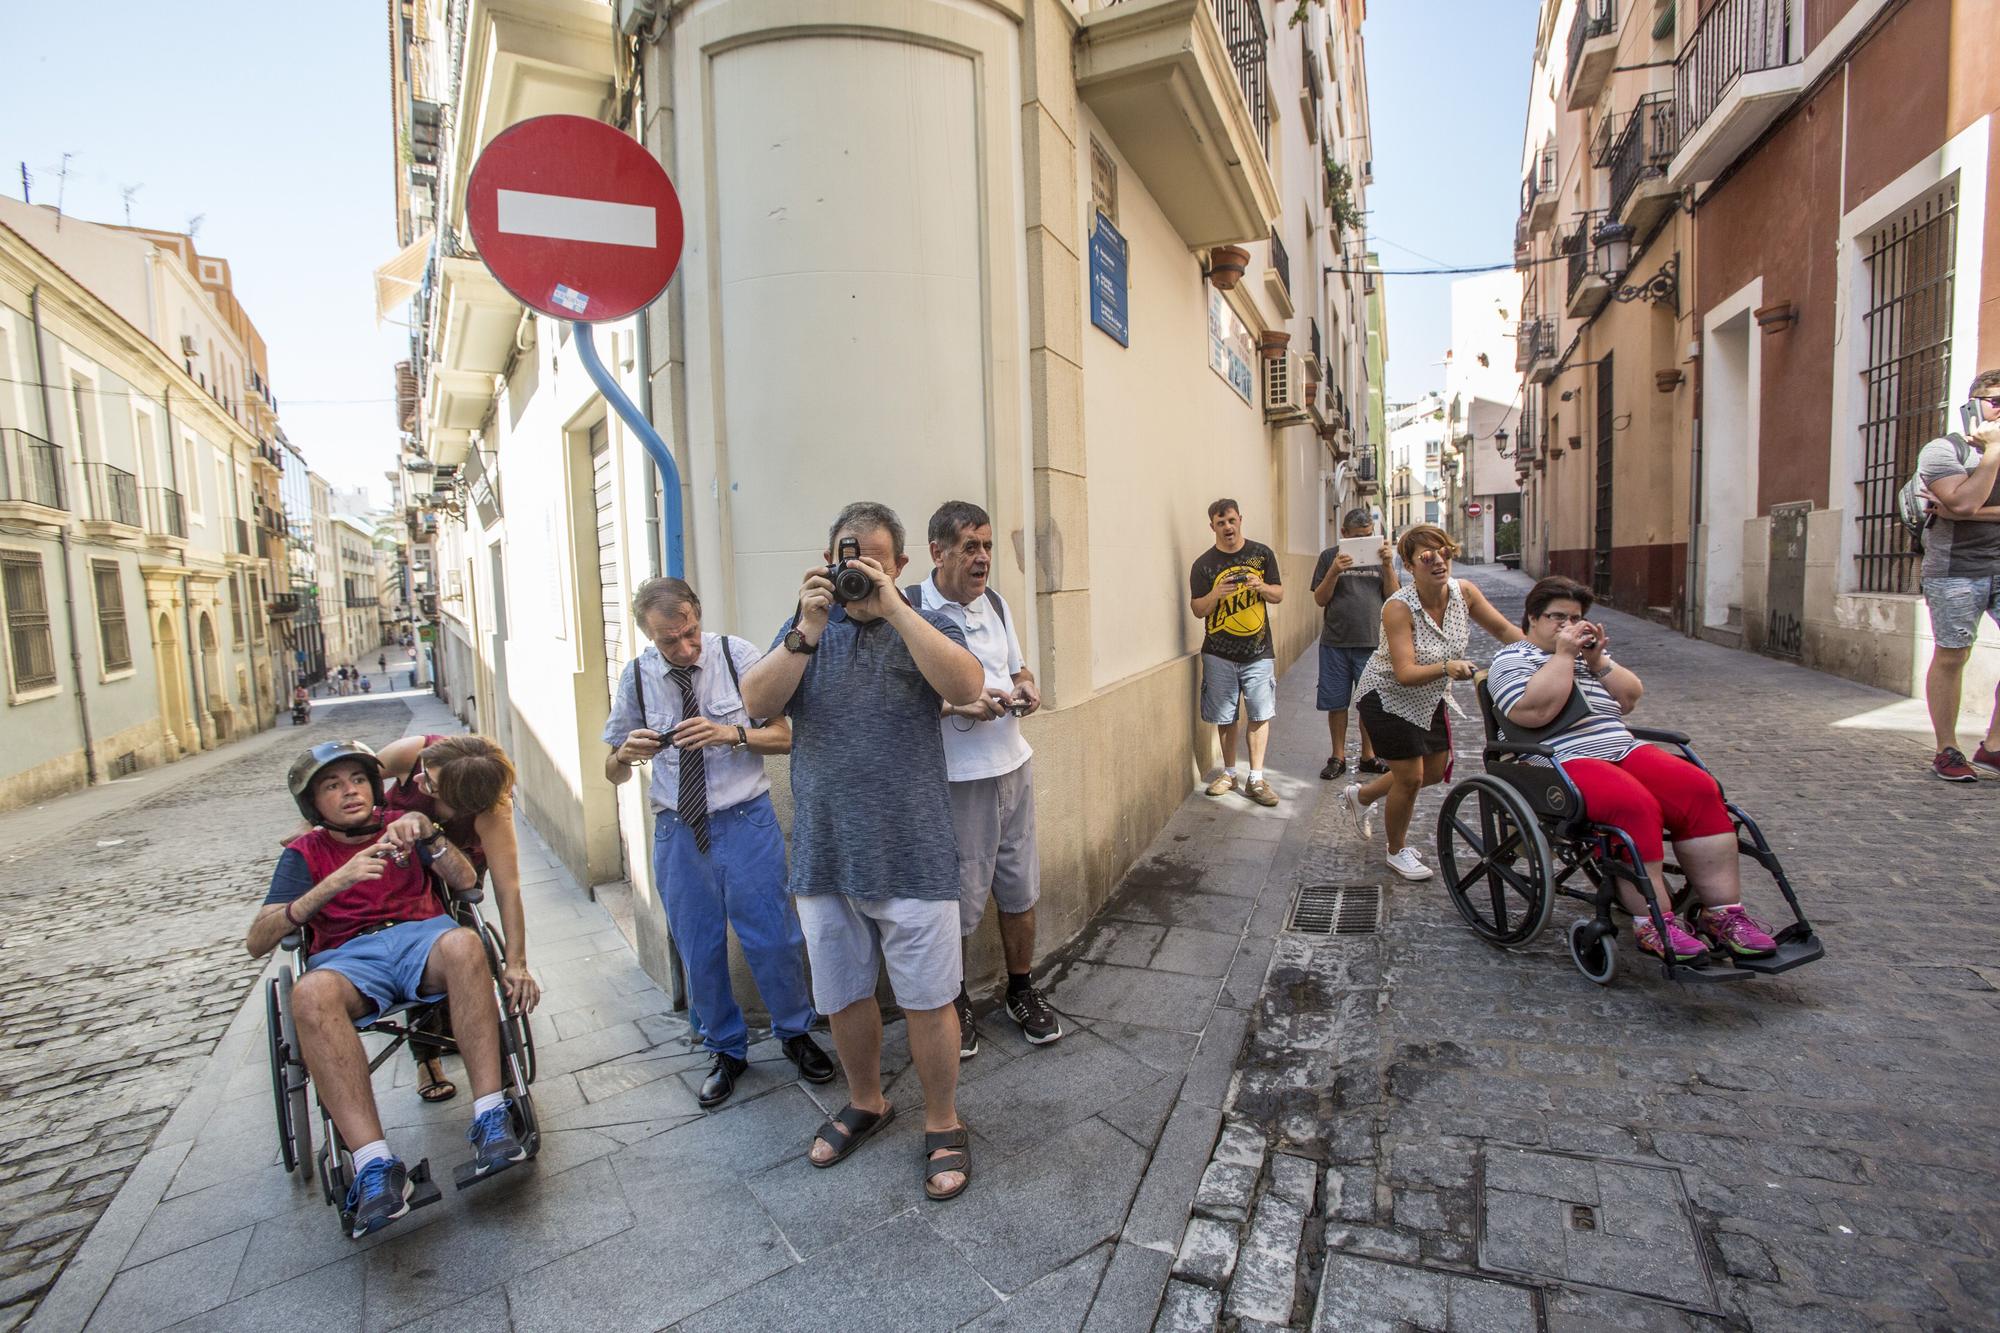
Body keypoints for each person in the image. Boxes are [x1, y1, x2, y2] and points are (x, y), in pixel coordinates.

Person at [739, 501, 984, 1201]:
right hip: (826, 853)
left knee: (930, 999)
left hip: (912, 849)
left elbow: (966, 687)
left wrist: (896, 609)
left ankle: (942, 1119)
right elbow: (755, 703)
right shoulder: (803, 631)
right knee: (844, 993)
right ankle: (868, 1099)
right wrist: (807, 627)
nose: (856, 574)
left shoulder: (926, 623)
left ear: (899, 565)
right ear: (827, 558)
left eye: (872, 561)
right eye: (847, 560)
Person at [247, 741, 526, 1238]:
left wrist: (431, 837)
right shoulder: (304, 853)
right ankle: (374, 1166)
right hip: (349, 960)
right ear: (313, 803)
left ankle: (492, 1116)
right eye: (332, 786)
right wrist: (332, 883)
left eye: (356, 780)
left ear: (375, 787)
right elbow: (257, 940)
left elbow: (468, 883)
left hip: (422, 939)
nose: (349, 791)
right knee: (309, 994)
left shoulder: (405, 825)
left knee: (465, 944)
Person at [602, 576, 832, 1108]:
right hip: (679, 832)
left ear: (698, 616)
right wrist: (625, 754)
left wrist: (731, 733)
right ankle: (725, 1048)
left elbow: (786, 735)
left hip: (745, 820)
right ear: (648, 636)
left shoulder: (737, 655)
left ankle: (795, 1033)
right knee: (698, 947)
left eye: (690, 633)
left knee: (773, 937)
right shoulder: (637, 678)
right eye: (668, 641)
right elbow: (612, 771)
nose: (684, 648)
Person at [1488, 577, 1778, 963]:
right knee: (1632, 803)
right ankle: (1653, 924)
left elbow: (1629, 699)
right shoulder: (1513, 659)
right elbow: (1533, 711)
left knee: (1698, 788)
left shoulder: (1585, 658)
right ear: (1532, 618)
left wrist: (1596, 662)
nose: (1569, 625)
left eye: (1576, 618)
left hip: (1622, 747)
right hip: (1561, 757)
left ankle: (1723, 915)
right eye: (1558, 617)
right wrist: (1561, 657)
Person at [907, 501, 1062, 1058]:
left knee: (1020, 890)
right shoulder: (910, 610)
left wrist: (1028, 686)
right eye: (970, 546)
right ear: (937, 551)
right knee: (960, 900)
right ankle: (956, 1000)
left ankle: (1021, 989)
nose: (982, 558)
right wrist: (955, 705)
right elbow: (898, 706)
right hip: (957, 780)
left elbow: (1018, 668)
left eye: (988, 546)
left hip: (1012, 767)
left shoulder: (995, 603)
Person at [1342, 524, 1521, 881]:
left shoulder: (1464, 594)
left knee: (1435, 772)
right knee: (1409, 778)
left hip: (1430, 698)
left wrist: (1540, 651)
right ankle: (1396, 850)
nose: (1439, 560)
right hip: (1387, 698)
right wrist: (1446, 667)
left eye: (1444, 552)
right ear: (1410, 565)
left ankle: (1361, 796)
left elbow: (1503, 631)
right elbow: (1405, 672)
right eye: (1427, 556)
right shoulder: (1398, 608)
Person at [371, 734, 540, 1103]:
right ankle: (426, 1058)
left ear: (461, 801)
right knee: (413, 941)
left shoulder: (492, 809)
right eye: (423, 773)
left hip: (457, 864)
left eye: (429, 783)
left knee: (462, 938)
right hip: (397, 860)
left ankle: (497, 1071)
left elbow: (508, 888)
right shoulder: (409, 755)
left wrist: (517, 964)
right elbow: (352, 783)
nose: (418, 781)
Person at [1915, 370, 2000, 781]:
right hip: (1955, 569)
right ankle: (1946, 749)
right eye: (1995, 401)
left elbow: (1962, 508)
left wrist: (1959, 509)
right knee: (1953, 655)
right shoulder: (1942, 451)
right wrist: (1994, 453)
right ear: (1973, 404)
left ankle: (1995, 746)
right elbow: (1964, 503)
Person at [1189, 499, 1285, 807]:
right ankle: (1230, 774)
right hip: (1218, 653)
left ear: (1240, 519)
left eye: (1231, 520)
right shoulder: (1203, 565)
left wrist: (1261, 586)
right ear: (1212, 527)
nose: (1228, 527)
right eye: (1221, 523)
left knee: (1259, 714)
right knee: (1225, 717)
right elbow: (1197, 609)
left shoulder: (1261, 555)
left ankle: (1256, 778)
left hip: (1258, 651)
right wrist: (1216, 594)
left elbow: (1279, 594)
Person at [1311, 509, 1398, 781]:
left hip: (1372, 642)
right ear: (1344, 534)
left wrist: (1387, 566)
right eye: (1358, 537)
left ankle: (1368, 756)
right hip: (1336, 642)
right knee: (1336, 703)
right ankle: (1338, 756)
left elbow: (1393, 597)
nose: (1364, 541)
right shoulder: (1328, 557)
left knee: (1369, 704)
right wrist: (1334, 571)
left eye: (1369, 535)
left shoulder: (1380, 557)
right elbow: (1321, 599)